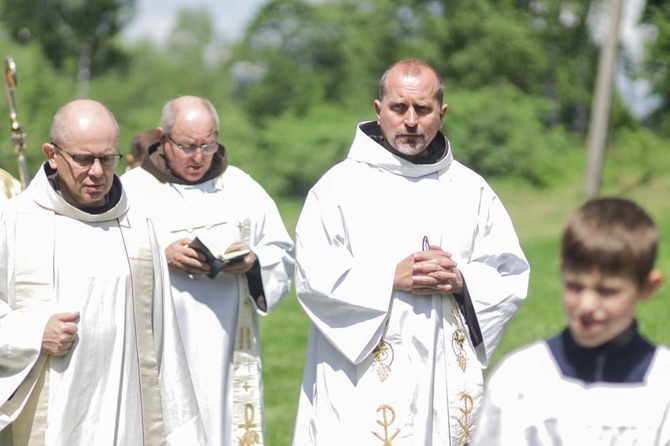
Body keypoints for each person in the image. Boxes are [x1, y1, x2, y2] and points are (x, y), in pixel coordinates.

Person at [292, 59, 530, 445]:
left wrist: (461, 279)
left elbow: (510, 273)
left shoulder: (471, 189)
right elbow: (313, 277)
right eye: (398, 107)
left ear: (442, 113)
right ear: (378, 109)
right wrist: (390, 277)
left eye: (423, 109)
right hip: (363, 378)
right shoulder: (338, 187)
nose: (410, 121)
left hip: (445, 373)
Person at [0, 99, 205, 444]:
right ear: (51, 154)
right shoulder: (12, 223)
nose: (97, 172)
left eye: (107, 159)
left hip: (126, 417)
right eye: (83, 159)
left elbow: (164, 339)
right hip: (51, 425)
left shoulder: (139, 225)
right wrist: (33, 333)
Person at [121, 95, 295, 445]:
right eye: (187, 146)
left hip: (227, 348)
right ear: (162, 136)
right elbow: (107, 257)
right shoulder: (131, 191)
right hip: (161, 348)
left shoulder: (243, 187)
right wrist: (160, 255)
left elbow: (282, 253)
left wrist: (251, 262)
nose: (199, 157)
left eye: (208, 144)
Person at [472, 197, 670, 445]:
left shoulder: (663, 385)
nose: (587, 305)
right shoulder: (520, 379)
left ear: (648, 287)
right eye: (575, 286)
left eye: (607, 291)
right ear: (562, 271)